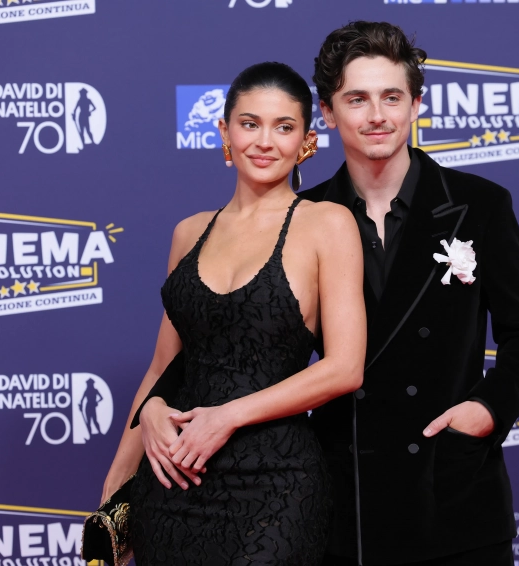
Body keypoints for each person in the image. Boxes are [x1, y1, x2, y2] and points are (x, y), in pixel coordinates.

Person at [138, 21, 519, 566]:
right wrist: (155, 409)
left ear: (416, 104)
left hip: (451, 489)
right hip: (346, 497)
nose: (377, 115)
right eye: (357, 99)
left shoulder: (479, 205)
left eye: (392, 97)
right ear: (329, 114)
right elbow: (222, 341)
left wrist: (485, 410)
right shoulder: (302, 219)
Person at [101, 62, 367, 566]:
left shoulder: (327, 224)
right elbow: (163, 367)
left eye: (283, 127)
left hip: (277, 484)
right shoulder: (189, 232)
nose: (264, 141)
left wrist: (227, 417)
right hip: (173, 478)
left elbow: (344, 368)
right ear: (225, 131)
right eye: (250, 124)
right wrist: (121, 473)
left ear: (306, 141)